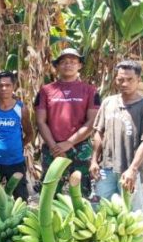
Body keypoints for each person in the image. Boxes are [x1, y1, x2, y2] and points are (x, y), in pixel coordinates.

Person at [90, 60, 143, 211]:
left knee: (132, 214)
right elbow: (99, 133)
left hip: (130, 170)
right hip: (106, 168)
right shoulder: (108, 103)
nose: (124, 83)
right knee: (100, 210)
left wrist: (133, 169)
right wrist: (94, 160)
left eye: (130, 79)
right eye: (120, 79)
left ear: (138, 80)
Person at [35, 48, 100, 195]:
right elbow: (40, 121)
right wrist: (54, 147)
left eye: (72, 62)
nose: (68, 65)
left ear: (80, 65)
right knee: (50, 193)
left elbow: (92, 121)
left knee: (80, 193)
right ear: (57, 66)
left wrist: (69, 143)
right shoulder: (46, 90)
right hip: (52, 147)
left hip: (80, 147)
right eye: (63, 62)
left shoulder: (90, 91)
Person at [0, 71, 34, 202]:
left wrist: (18, 146)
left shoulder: (21, 108)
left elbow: (30, 133)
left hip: (15, 162)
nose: (4, 88)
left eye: (7, 85)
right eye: (0, 85)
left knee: (21, 199)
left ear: (14, 86)